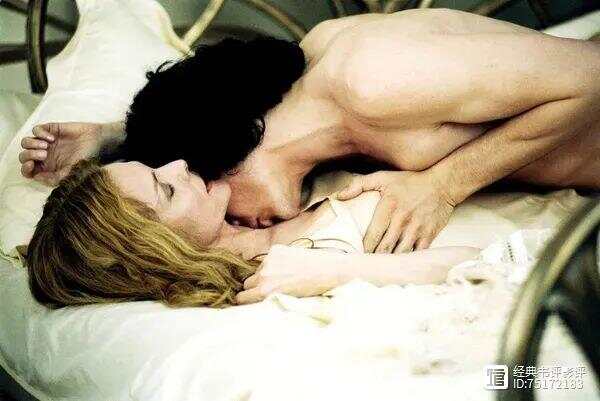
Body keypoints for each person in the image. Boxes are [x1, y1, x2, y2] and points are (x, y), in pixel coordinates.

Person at [20, 9, 600, 255]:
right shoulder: (313, 97)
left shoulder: (371, 79)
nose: (236, 223)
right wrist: (115, 137)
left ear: (225, 157)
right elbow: (211, 95)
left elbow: (591, 77)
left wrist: (443, 187)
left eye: (219, 203)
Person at [26, 158, 479, 308]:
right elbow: (489, 264)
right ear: (157, 250)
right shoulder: (278, 280)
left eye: (156, 166)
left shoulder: (259, 191)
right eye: (167, 189)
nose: (179, 163)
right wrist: (340, 271)